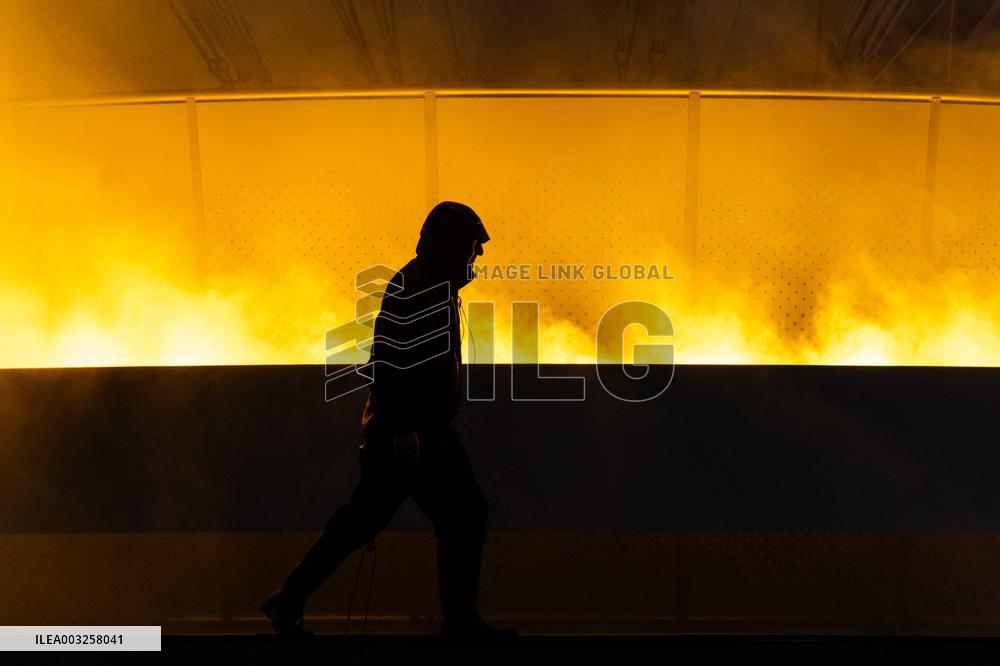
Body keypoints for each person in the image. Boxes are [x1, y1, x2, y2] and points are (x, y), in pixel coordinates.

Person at [263, 201, 514, 638]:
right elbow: (391, 364)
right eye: (472, 246)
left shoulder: (428, 285)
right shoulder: (419, 289)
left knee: (373, 520)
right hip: (413, 433)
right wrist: (403, 431)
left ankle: (289, 598)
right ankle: (458, 621)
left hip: (416, 430)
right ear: (451, 245)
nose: (477, 258)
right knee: (453, 515)